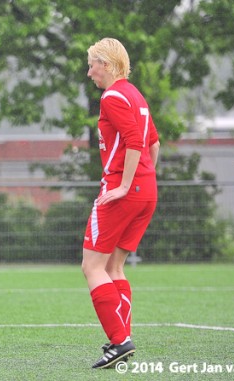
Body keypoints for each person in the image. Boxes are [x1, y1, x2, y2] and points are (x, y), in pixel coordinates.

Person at [82, 38, 160, 369]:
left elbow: (133, 141)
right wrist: (143, 179)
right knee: (114, 267)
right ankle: (121, 338)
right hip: (146, 191)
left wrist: (125, 185)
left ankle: (119, 340)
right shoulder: (135, 94)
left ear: (108, 65)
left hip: (120, 190)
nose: (89, 73)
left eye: (92, 65)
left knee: (92, 267)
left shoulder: (112, 96)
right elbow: (153, 143)